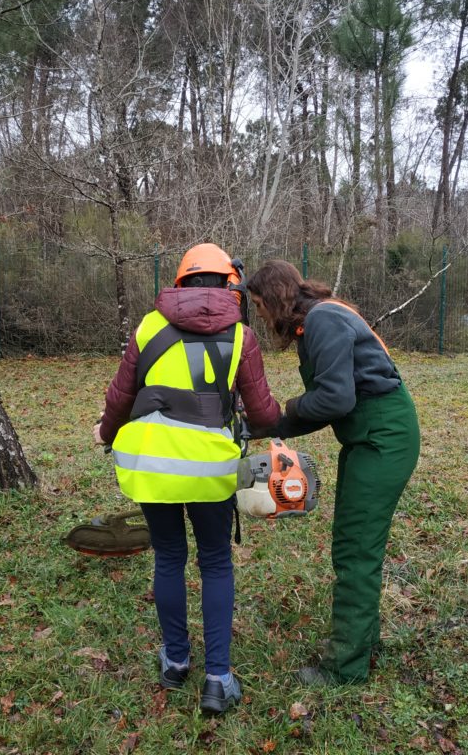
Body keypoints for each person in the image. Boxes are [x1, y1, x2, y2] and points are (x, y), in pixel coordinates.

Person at [94, 243, 280, 714]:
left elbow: (120, 395)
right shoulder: (242, 337)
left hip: (153, 464)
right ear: (229, 285)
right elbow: (261, 414)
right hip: (211, 469)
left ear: (179, 284)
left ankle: (175, 661)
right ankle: (218, 678)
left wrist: (106, 433)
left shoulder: (149, 326)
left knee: (170, 555)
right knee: (215, 562)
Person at [244, 259, 421, 686]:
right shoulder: (320, 317)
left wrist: (281, 414)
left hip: (382, 436)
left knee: (356, 549)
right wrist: (268, 427)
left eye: (259, 306)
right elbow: (331, 399)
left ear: (274, 298)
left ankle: (345, 668)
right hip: (367, 435)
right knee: (350, 541)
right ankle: (363, 639)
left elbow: (334, 399)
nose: (261, 316)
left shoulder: (323, 321)